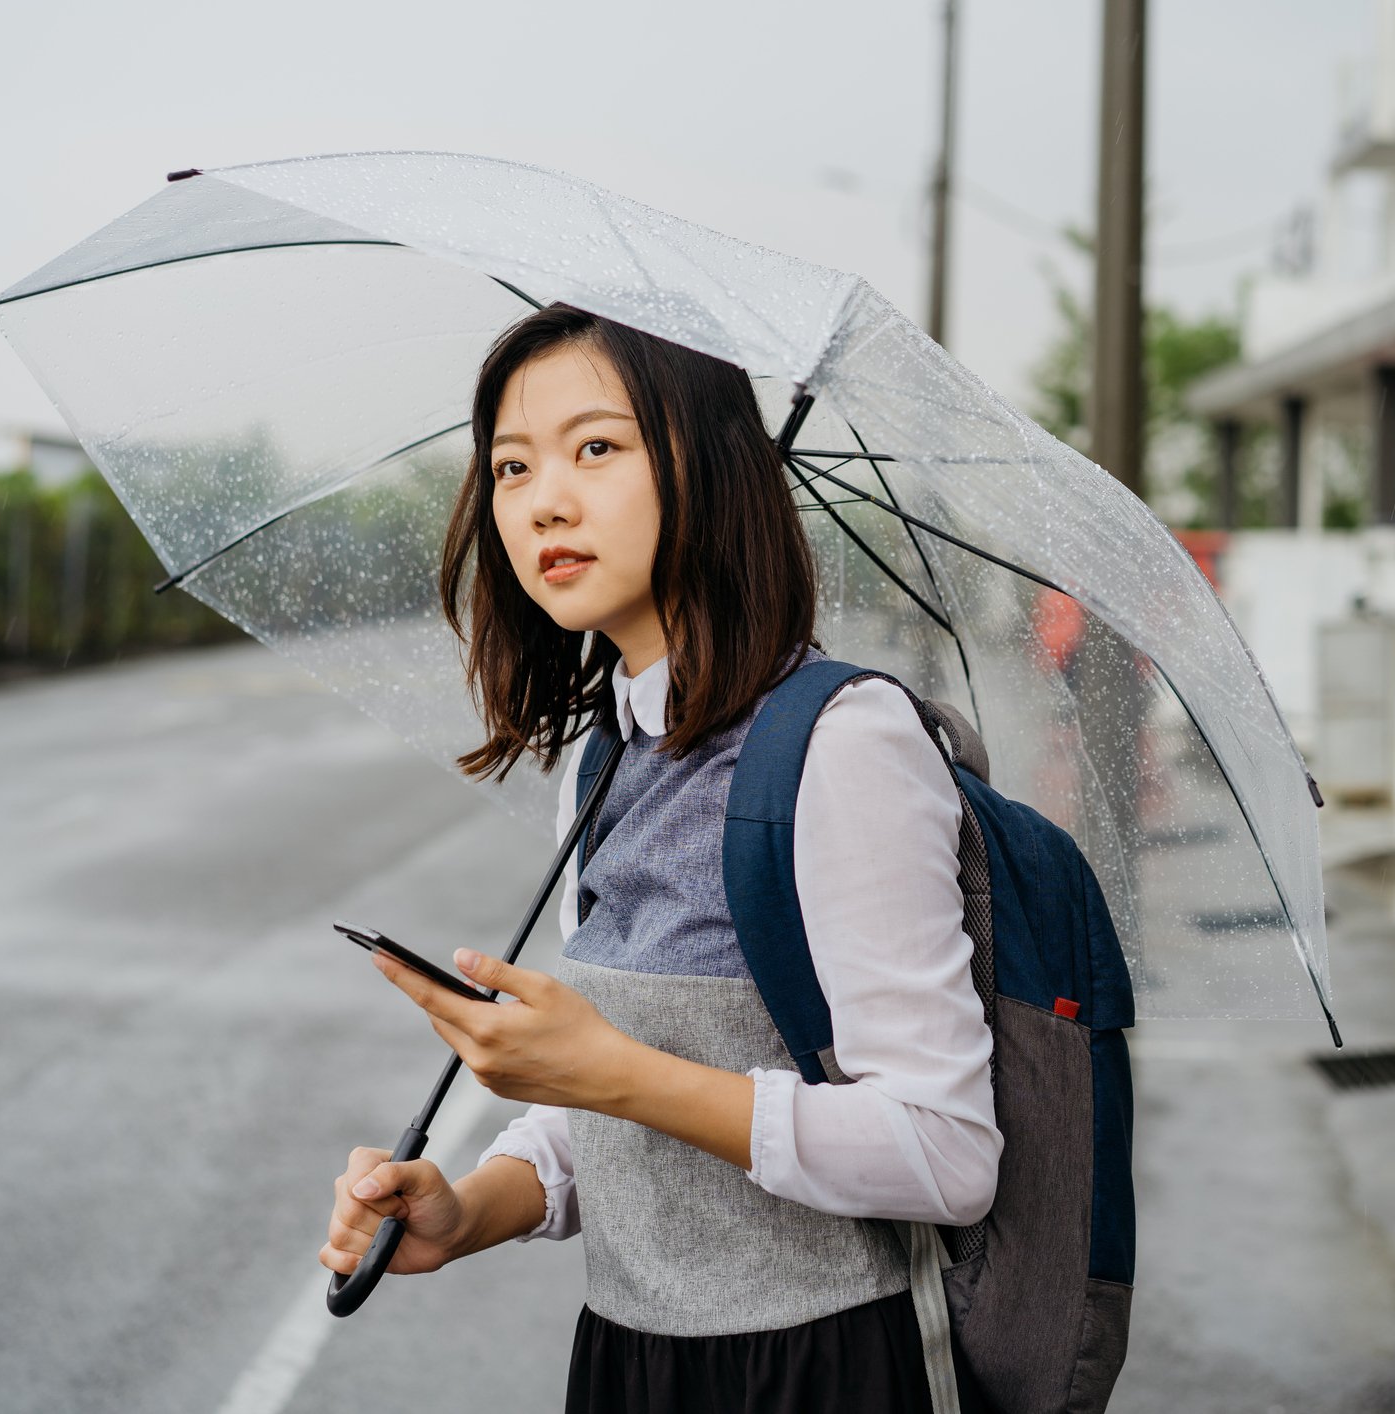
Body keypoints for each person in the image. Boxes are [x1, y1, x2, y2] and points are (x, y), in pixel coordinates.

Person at [317, 302, 1000, 1413]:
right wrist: (467, 1208)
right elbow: (606, 1116)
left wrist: (611, 1070)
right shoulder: (605, 764)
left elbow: (947, 1150)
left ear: (712, 469)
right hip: (629, 1361)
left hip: (818, 1368)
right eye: (510, 466)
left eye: (598, 447)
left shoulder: (840, 744)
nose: (544, 499)